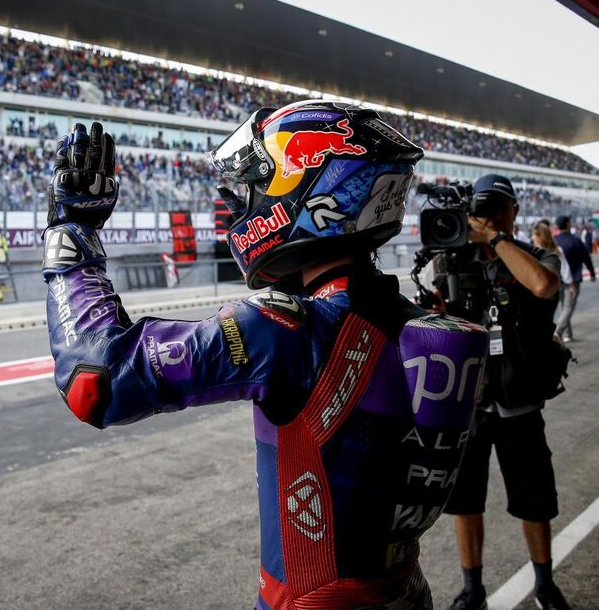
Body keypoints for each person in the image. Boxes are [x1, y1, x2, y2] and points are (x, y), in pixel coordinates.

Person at [42, 101, 488, 609]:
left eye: (253, 188)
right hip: (406, 594)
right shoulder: (441, 330)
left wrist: (72, 232)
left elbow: (96, 382)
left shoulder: (287, 328)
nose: (240, 207)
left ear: (309, 191)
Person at [440, 175, 569, 610]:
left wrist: (494, 239)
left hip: (521, 402)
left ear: (515, 211)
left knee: (535, 501)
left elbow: (543, 285)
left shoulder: (537, 256)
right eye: (482, 208)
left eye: (499, 207)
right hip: (470, 402)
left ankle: (545, 586)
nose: (491, 215)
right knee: (465, 500)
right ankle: (472, 589)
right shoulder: (458, 261)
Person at [553, 214, 595, 343]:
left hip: (556, 279)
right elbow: (586, 258)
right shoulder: (575, 241)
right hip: (572, 280)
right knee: (568, 308)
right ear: (567, 224)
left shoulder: (553, 241)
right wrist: (592, 273)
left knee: (563, 307)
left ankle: (567, 334)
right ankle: (558, 332)